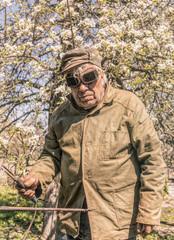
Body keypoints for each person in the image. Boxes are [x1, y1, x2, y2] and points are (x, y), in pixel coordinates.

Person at [17, 47, 165, 240]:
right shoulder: (60, 116)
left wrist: (148, 211)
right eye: (73, 82)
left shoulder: (128, 106)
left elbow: (152, 161)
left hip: (116, 225)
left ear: (102, 75)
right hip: (71, 223)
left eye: (89, 77)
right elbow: (51, 156)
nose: (82, 88)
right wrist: (36, 178)